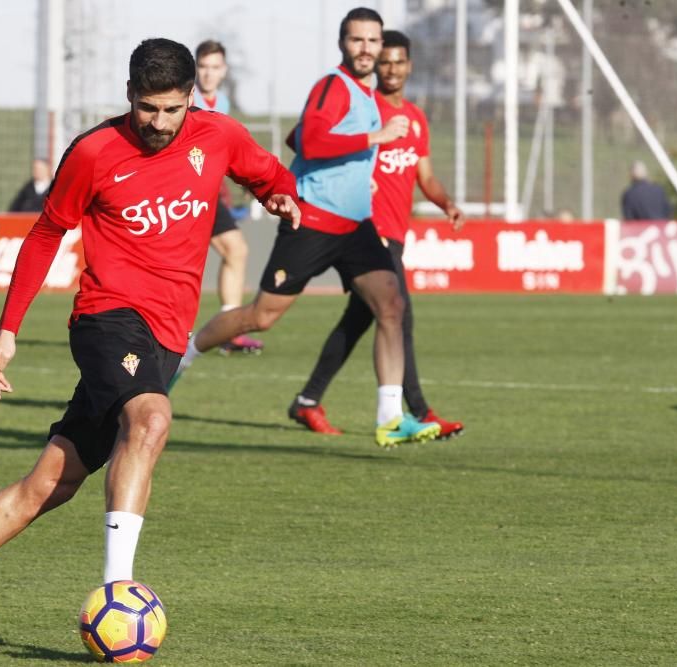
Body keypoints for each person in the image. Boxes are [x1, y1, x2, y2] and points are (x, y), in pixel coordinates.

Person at [0, 38, 300, 653]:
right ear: (129, 94)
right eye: (146, 109)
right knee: (152, 418)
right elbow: (47, 232)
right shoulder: (96, 151)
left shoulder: (220, 135)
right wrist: (7, 329)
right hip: (107, 319)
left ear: (191, 99)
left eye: (170, 110)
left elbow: (267, 173)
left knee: (51, 482)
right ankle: (118, 595)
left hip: (165, 333)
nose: (157, 124)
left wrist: (278, 195)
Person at [172, 8, 440, 447]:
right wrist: (372, 139)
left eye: (373, 41)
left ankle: (391, 418)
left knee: (391, 305)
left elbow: (300, 138)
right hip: (312, 219)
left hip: (355, 225)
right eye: (358, 40)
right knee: (262, 316)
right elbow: (310, 141)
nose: (367, 49)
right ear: (343, 44)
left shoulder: (363, 93)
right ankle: (186, 352)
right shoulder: (332, 86)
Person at [288, 30, 465, 439]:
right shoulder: (363, 110)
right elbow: (306, 140)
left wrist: (447, 204)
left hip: (396, 233)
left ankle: (307, 401)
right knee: (399, 315)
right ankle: (420, 410)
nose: (391, 69)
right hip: (364, 230)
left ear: (409, 66)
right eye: (385, 61)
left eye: (398, 61)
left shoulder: (416, 118)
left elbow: (426, 176)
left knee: (360, 320)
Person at [193, 39, 264, 354]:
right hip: (181, 195)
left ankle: (227, 328)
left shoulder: (220, 103)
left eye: (214, 67)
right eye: (203, 67)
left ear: (224, 71)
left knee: (236, 250)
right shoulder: (185, 97)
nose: (208, 74)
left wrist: (246, 176)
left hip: (206, 195)